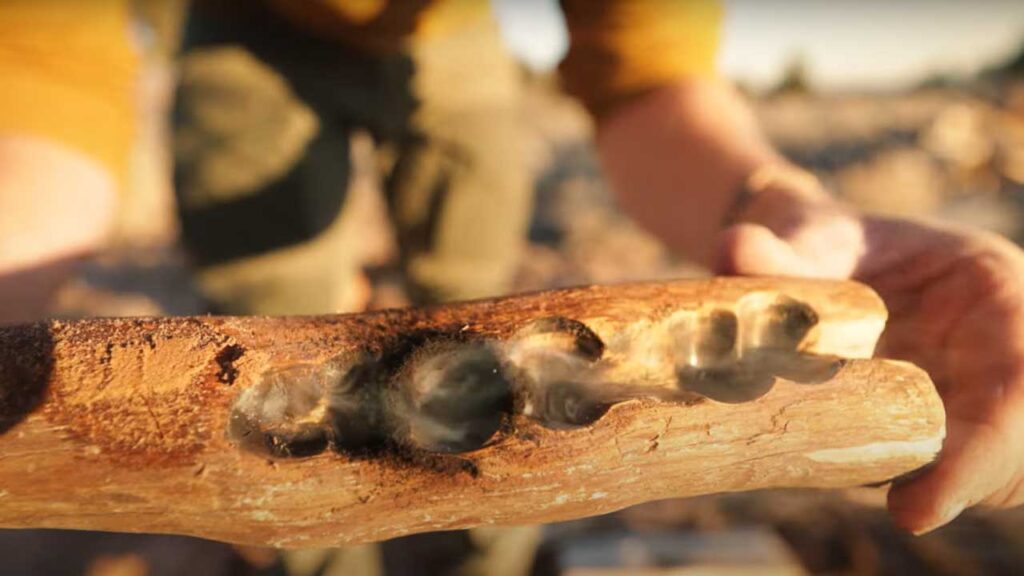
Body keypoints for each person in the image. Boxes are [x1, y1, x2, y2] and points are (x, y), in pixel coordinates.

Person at [1, 0, 1022, 565]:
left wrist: (783, 200)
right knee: (270, 287)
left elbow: (646, 68)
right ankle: (317, 563)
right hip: (245, 24)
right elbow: (43, 77)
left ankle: (488, 554)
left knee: (466, 295)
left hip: (449, 29)